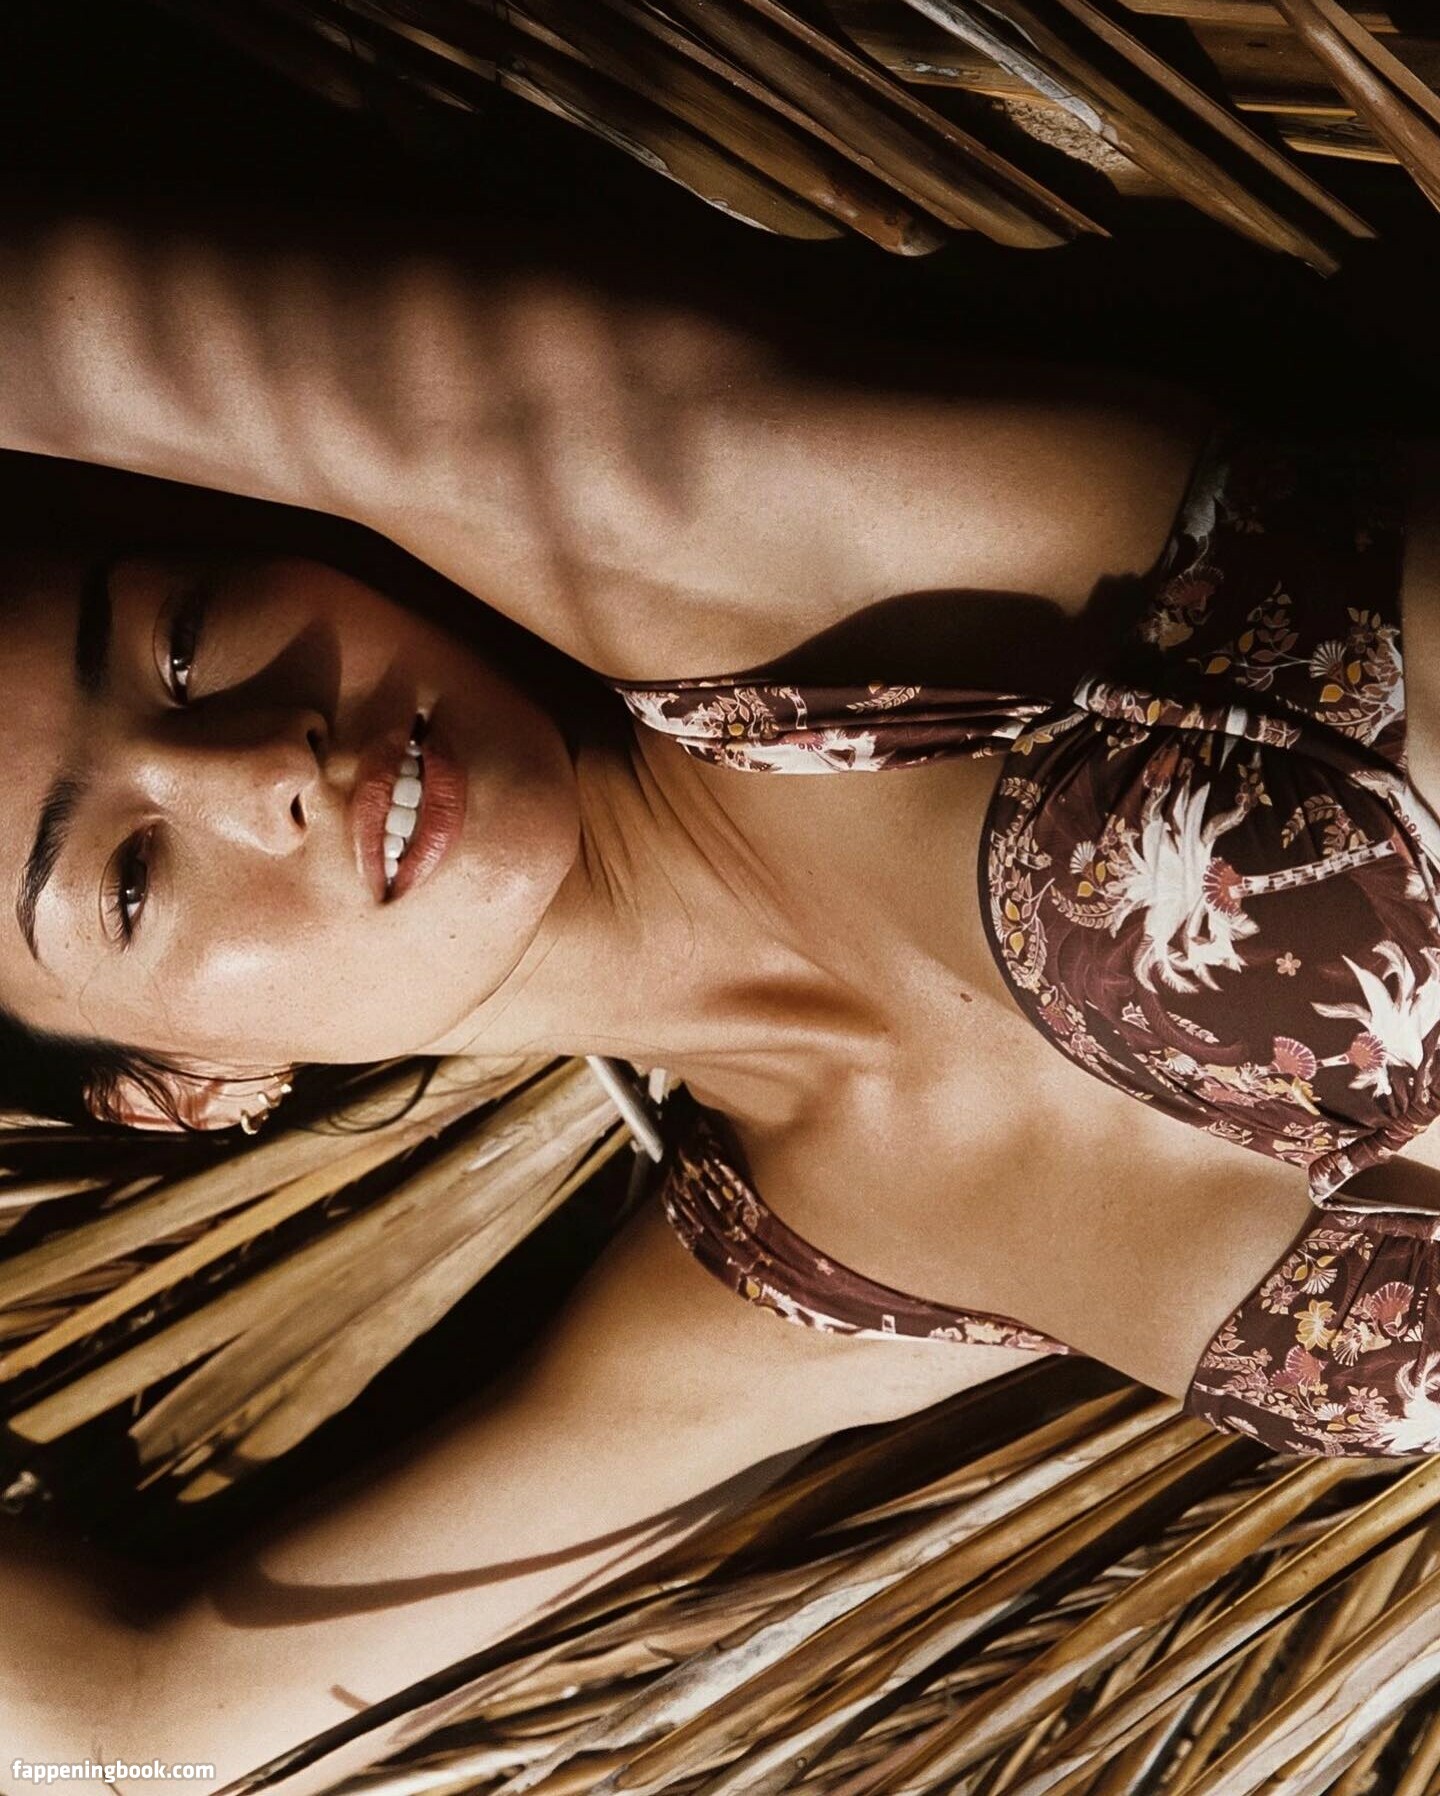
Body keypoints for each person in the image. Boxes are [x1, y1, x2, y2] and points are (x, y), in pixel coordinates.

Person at [2, 199, 1440, 1795]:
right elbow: (129, 1730)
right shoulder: (809, 1286)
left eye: (181, 644)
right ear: (193, 1084)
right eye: (130, 879)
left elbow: (81, 333)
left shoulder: (756, 563)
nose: (265, 762)